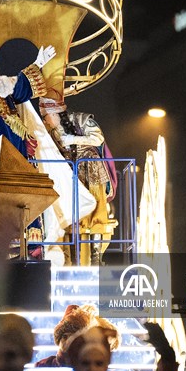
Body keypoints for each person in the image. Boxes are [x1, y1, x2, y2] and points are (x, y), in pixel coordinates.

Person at [40, 100, 117, 265]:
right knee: (74, 215)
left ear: (54, 113)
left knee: (97, 211)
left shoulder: (82, 120)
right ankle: (74, 257)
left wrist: (73, 139)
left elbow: (98, 138)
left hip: (92, 169)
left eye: (46, 116)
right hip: (70, 173)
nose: (45, 120)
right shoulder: (50, 130)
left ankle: (96, 257)